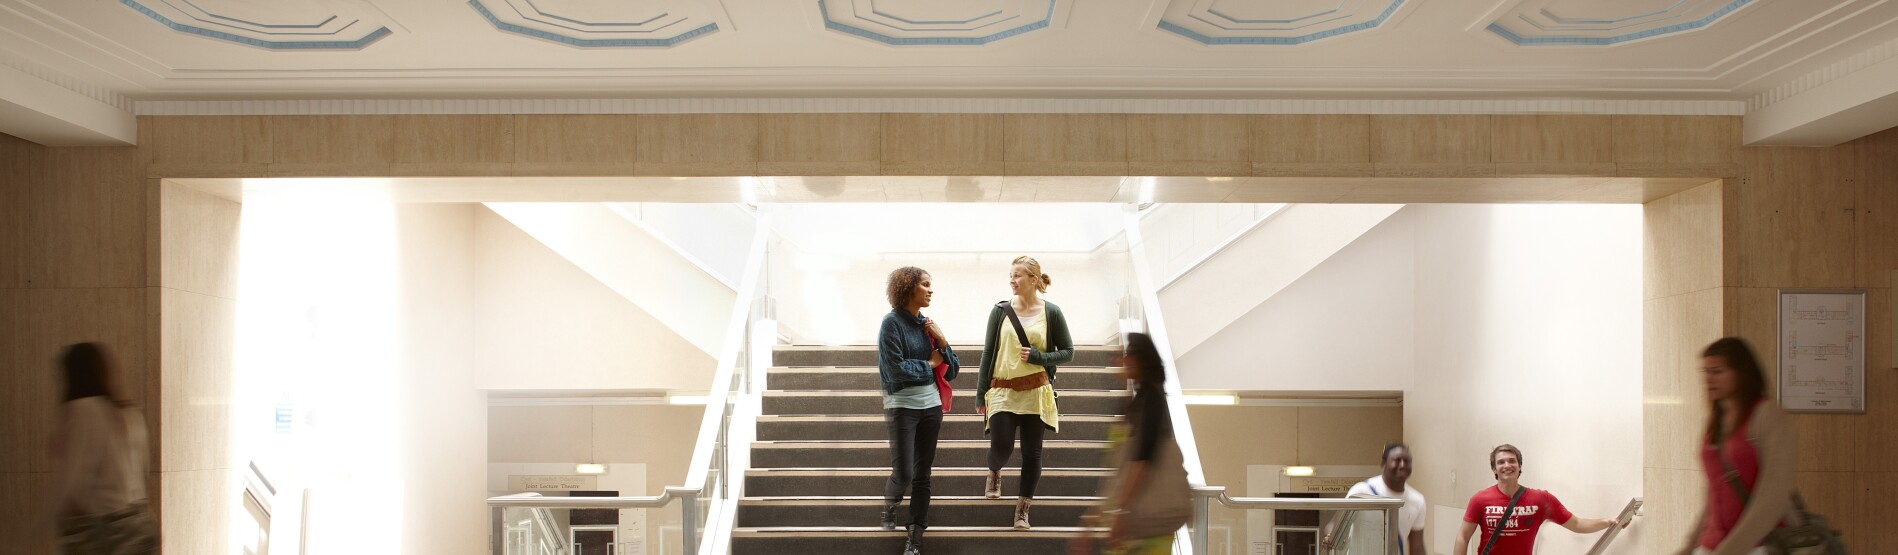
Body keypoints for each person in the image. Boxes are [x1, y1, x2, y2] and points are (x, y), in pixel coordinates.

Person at [976, 256, 1074, 530]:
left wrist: (1040, 356)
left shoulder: (1051, 312)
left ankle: (1022, 509)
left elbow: (1068, 351)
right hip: (1002, 390)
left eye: (1017, 275)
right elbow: (988, 353)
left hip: (1036, 391)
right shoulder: (1000, 311)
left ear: (1033, 280)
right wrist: (980, 393)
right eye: (1010, 275)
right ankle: (995, 471)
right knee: (1001, 447)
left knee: (1032, 453)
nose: (1012, 280)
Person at [1675, 337, 1795, 555]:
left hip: (1758, 546)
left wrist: (1730, 550)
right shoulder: (1716, 422)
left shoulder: (1766, 414)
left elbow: (1772, 497)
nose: (1709, 379)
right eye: (1706, 372)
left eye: (1718, 371)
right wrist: (1689, 546)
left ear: (1740, 373)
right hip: (1712, 544)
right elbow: (1713, 494)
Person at [1072, 333, 1187, 555]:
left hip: (1145, 521)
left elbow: (1142, 462)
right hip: (1139, 521)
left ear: (1139, 360)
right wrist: (1094, 519)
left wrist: (1120, 513)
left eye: (1125, 355)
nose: (1120, 361)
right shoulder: (1138, 402)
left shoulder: (1151, 401)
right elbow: (1123, 469)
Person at [878, 267, 958, 555]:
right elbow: (894, 370)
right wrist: (930, 365)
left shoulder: (929, 325)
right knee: (904, 470)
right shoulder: (891, 324)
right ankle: (890, 503)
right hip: (902, 407)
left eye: (930, 285)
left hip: (931, 407)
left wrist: (943, 340)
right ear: (909, 288)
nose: (930, 290)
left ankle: (914, 539)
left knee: (923, 474)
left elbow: (954, 370)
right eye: (925, 285)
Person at [52, 342, 159, 555]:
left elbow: (75, 480)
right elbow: (141, 469)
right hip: (139, 524)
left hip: (104, 532)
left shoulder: (83, 410)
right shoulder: (129, 412)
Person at [1452, 444, 1622, 555]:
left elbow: (1576, 523)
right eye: (1501, 462)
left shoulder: (1540, 499)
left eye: (1512, 461)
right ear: (1494, 469)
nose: (1507, 466)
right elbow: (1463, 537)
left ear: (1520, 467)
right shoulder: (1480, 499)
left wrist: (1606, 522)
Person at [1322, 442, 1426, 555]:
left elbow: (1417, 547)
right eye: (1397, 460)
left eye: (1407, 461)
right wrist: (1334, 541)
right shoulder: (1361, 491)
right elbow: (1333, 528)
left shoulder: (1417, 501)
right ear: (1383, 464)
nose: (1402, 465)